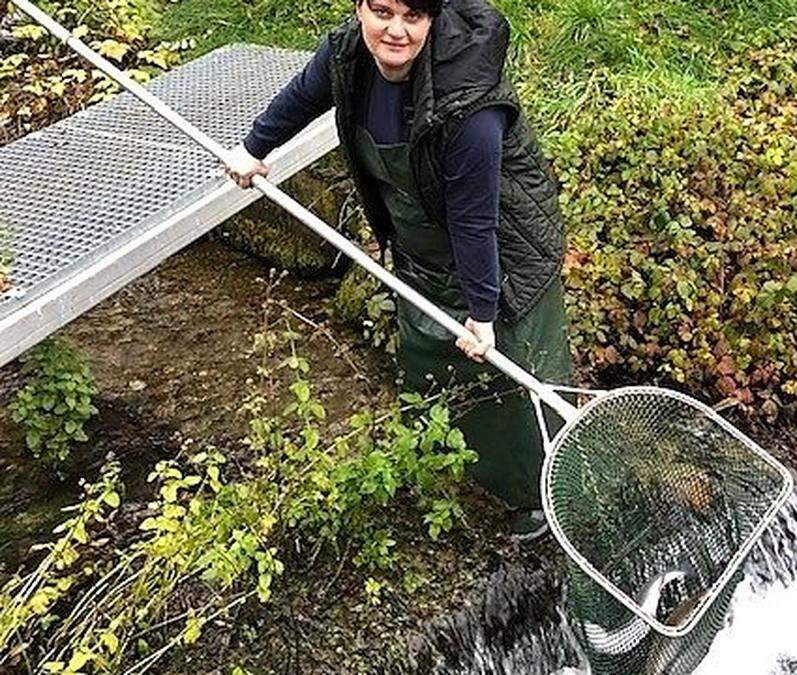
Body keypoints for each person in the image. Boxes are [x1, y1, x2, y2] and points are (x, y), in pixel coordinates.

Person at [224, 0, 573, 542]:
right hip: (422, 247)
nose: (395, 30)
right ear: (359, 8)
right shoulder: (346, 54)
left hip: (502, 256)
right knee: (430, 357)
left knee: (514, 379)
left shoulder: (469, 109)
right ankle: (442, 460)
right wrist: (254, 147)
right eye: (381, 11)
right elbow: (302, 96)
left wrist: (483, 315)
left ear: (432, 21)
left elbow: (476, 220)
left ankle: (542, 495)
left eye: (413, 17)